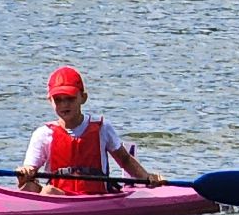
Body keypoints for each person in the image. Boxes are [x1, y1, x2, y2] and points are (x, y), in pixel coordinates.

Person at [14, 66, 164, 195]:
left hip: (96, 196)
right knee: (31, 187)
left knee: (47, 192)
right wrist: (25, 172)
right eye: (58, 100)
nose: (64, 105)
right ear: (50, 101)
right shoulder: (43, 134)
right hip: (58, 195)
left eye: (70, 98)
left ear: (83, 98)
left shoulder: (102, 128)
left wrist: (146, 178)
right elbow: (30, 168)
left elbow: (124, 160)